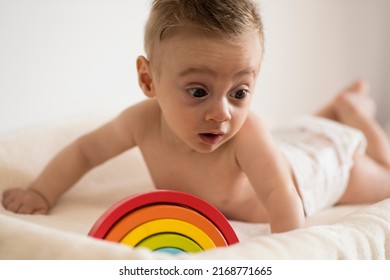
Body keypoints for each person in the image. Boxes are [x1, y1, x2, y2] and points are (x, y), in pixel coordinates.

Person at [2, 0, 390, 234]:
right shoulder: (140, 122)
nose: (221, 113)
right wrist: (40, 191)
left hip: (319, 169)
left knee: (383, 176)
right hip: (286, 146)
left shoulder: (246, 130)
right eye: (198, 92)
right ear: (147, 79)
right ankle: (336, 111)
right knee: (298, 134)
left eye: (240, 93)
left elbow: (280, 195)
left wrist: (290, 253)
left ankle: (356, 116)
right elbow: (86, 152)